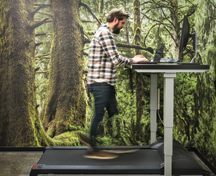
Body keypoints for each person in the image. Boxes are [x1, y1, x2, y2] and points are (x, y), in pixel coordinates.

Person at [79, 8, 149, 159]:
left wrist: (133, 59)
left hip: (106, 82)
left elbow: (112, 57)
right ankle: (90, 140)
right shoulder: (105, 34)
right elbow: (116, 60)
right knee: (99, 114)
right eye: (122, 23)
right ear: (115, 20)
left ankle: (101, 139)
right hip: (100, 82)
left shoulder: (104, 32)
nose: (123, 26)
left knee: (113, 111)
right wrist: (133, 60)